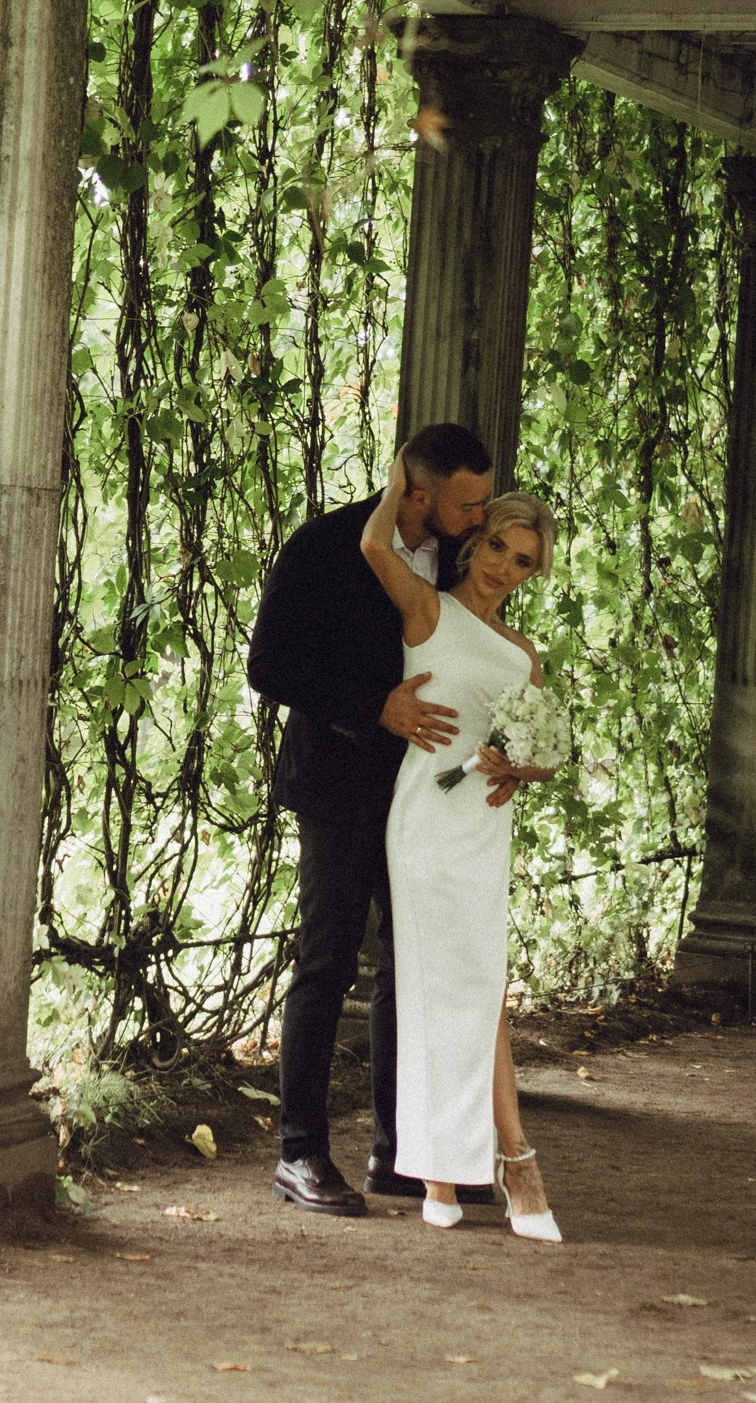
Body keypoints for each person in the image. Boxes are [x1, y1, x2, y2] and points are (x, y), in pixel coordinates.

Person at [247, 423, 494, 1216]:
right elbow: (270, 664)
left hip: (427, 790)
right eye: (465, 502)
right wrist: (372, 706)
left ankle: (402, 1151)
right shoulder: (325, 544)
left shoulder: (461, 558)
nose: (479, 518)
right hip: (339, 782)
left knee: (411, 967)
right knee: (327, 962)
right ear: (417, 494)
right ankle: (299, 1152)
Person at [360, 459, 564, 1242]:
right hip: (424, 820)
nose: (505, 570)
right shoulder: (429, 611)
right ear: (476, 536)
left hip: (484, 821)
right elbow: (378, 543)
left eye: (523, 563)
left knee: (480, 985)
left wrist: (519, 765)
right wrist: (400, 473)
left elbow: (542, 751)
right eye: (499, 549)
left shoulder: (522, 654)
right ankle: (507, 1165)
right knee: (436, 987)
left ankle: (456, 1171)